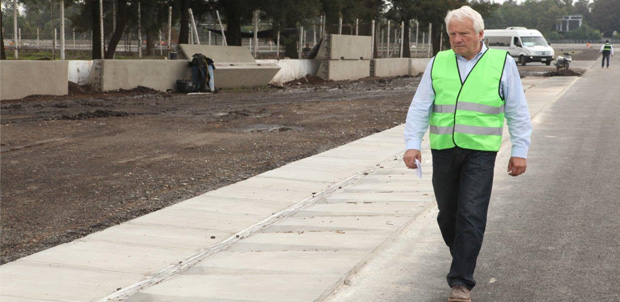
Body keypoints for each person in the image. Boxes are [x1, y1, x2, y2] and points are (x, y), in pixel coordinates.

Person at [403, 6, 532, 302]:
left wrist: (519, 150)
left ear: (480, 34)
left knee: (471, 214)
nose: (457, 39)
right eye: (452, 34)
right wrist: (413, 144)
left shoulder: (502, 62)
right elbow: (420, 106)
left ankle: (461, 281)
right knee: (448, 215)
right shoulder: (439, 62)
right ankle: (464, 254)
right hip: (444, 151)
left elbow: (517, 111)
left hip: (480, 153)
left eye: (463, 33)